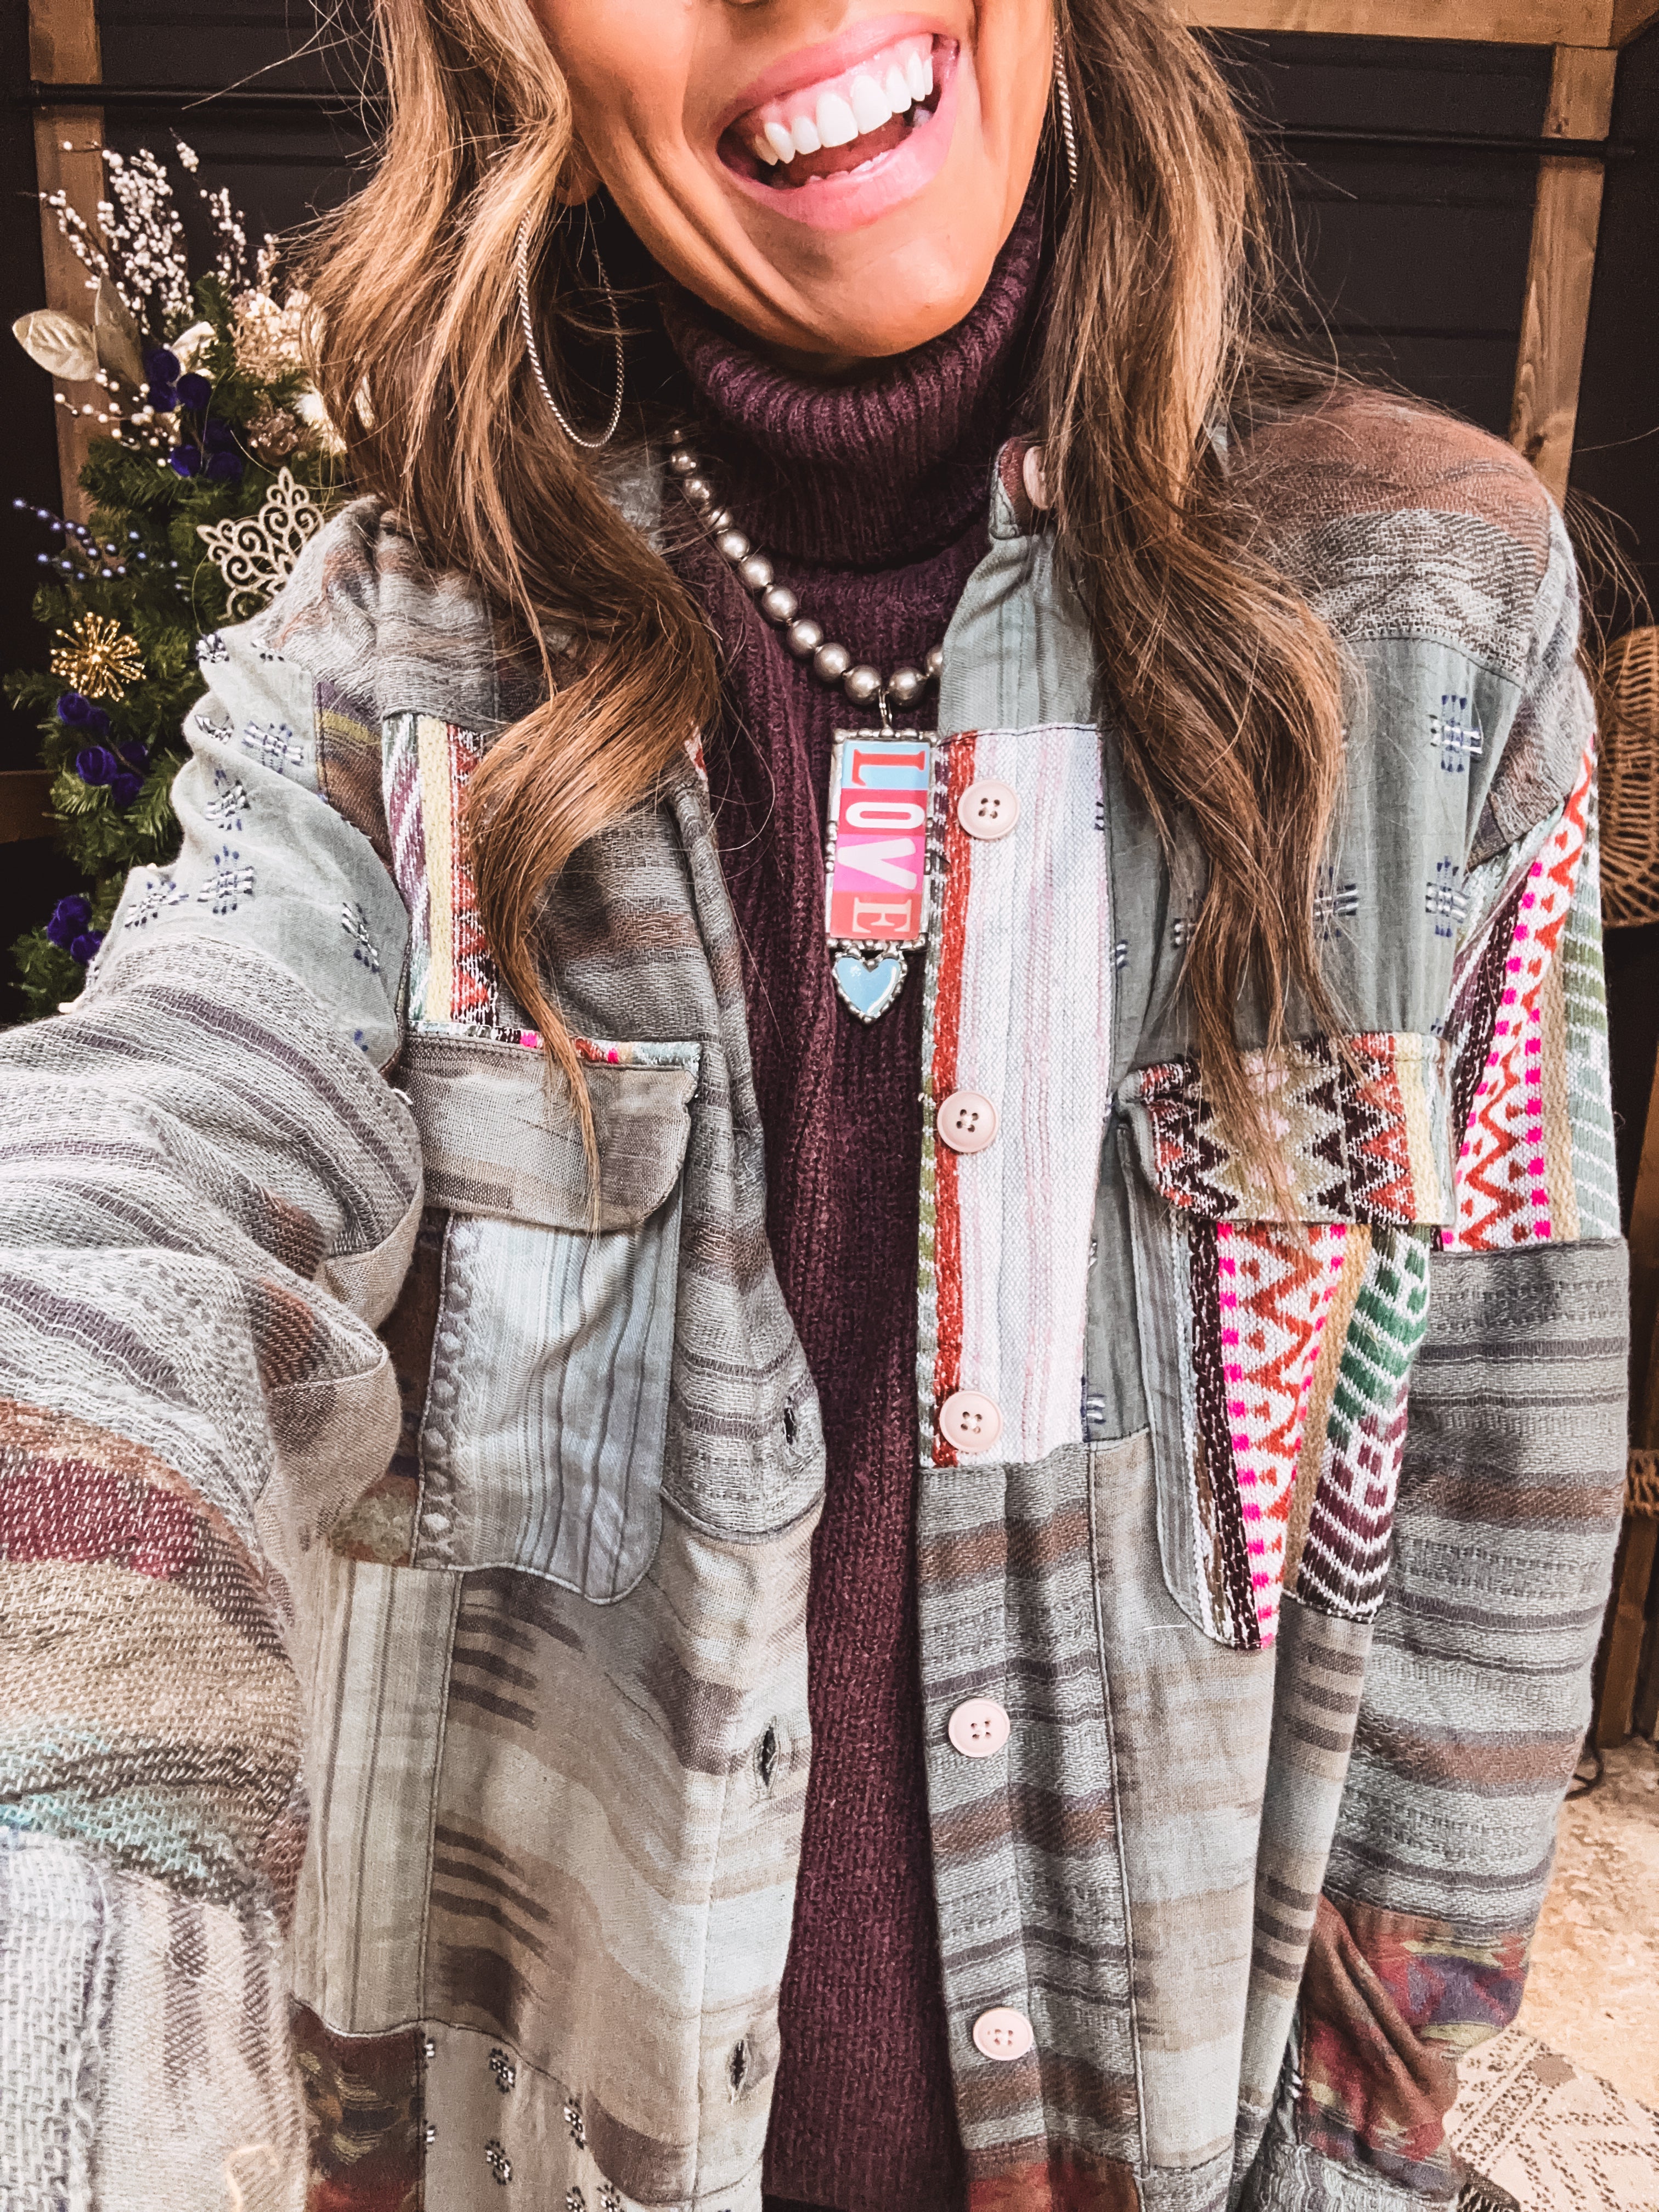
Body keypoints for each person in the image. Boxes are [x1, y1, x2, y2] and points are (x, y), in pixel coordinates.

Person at [0, 1, 1628, 2208]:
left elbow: (1505, 1468)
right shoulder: (390, 670)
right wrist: (78, 1805)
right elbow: (154, 1168)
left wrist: (1365, 2151)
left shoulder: (1434, 608)